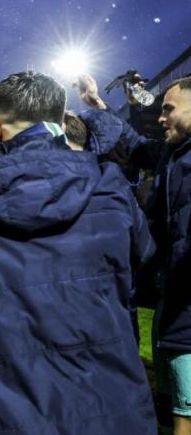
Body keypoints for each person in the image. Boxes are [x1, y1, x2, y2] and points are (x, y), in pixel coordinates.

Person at [0, 71, 157, 434]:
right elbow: (144, 260)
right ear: (61, 123)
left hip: (0, 412)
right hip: (109, 407)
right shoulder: (107, 184)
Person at [76, 74, 191, 434]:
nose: (160, 117)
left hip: (187, 307)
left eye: (168, 109)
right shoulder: (173, 153)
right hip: (173, 302)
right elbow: (136, 146)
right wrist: (97, 104)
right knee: (176, 405)